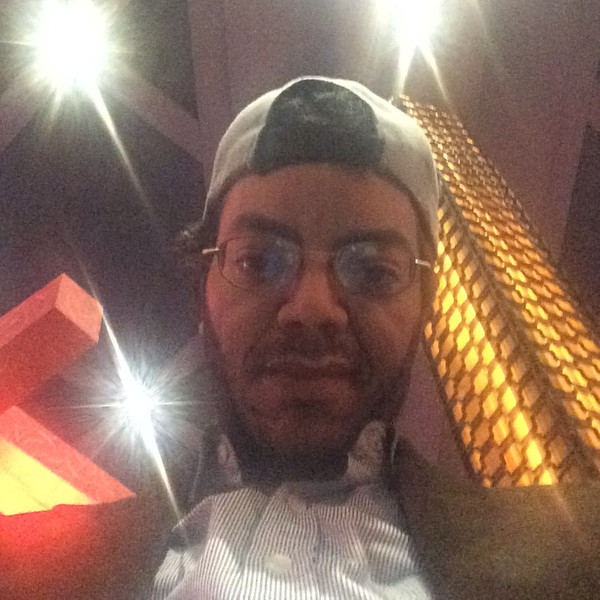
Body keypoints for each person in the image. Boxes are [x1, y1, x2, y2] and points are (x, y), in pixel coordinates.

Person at [148, 77, 600, 599]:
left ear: (424, 305)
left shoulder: (577, 552)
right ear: (203, 286)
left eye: (372, 272)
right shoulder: (68, 552)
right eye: (259, 261)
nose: (312, 308)